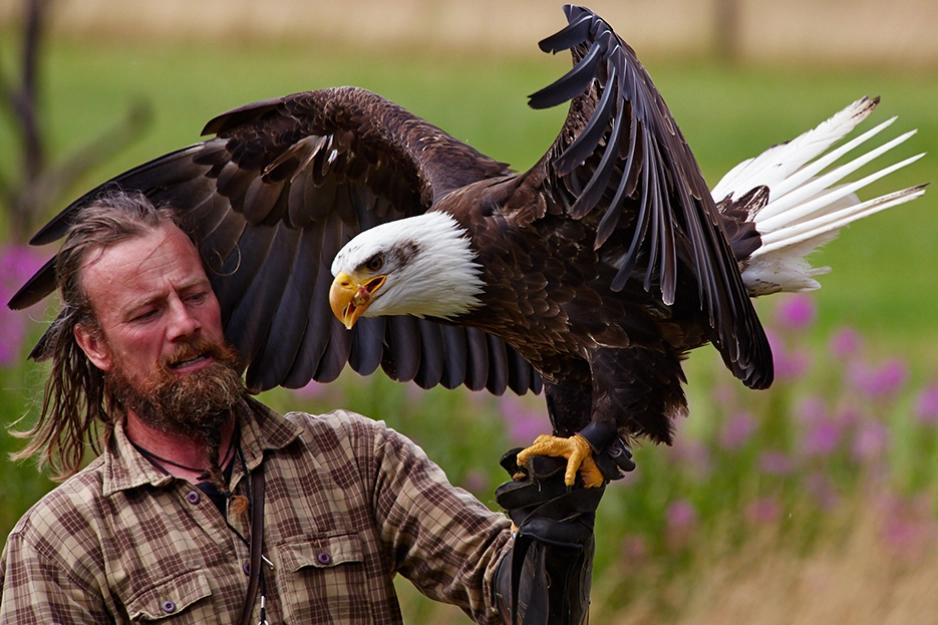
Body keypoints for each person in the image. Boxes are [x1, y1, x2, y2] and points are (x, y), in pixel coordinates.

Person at [0, 192, 603, 624]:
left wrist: (558, 531)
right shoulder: (61, 542)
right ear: (94, 345)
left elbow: (514, 600)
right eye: (147, 313)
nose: (185, 324)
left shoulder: (359, 459)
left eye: (194, 294)